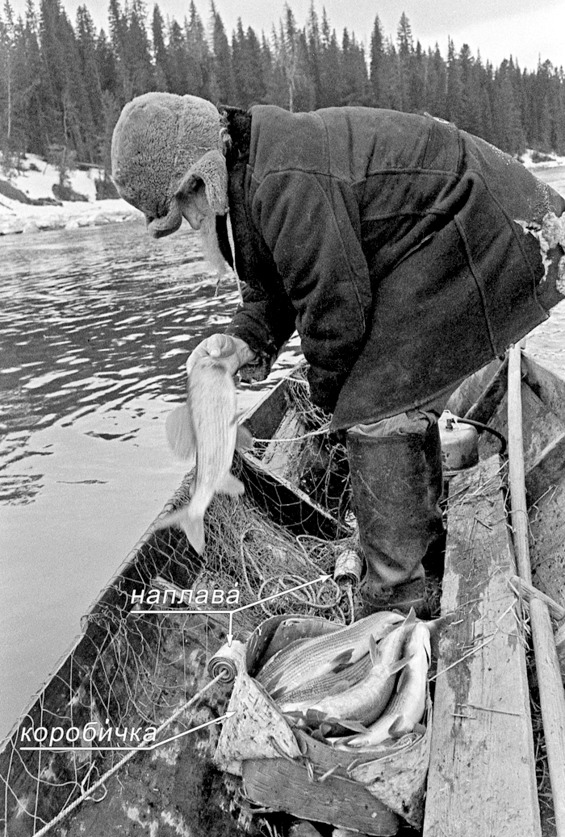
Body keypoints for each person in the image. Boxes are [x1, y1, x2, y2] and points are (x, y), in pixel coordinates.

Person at [111, 92, 565, 615]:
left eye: (186, 200)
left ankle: (398, 594)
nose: (192, 221)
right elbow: (274, 291)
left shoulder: (283, 179)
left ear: (205, 170)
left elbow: (337, 315)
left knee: (374, 402)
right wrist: (244, 342)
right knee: (376, 392)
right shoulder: (248, 171)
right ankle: (420, 541)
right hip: (440, 236)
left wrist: (334, 409)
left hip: (494, 226)